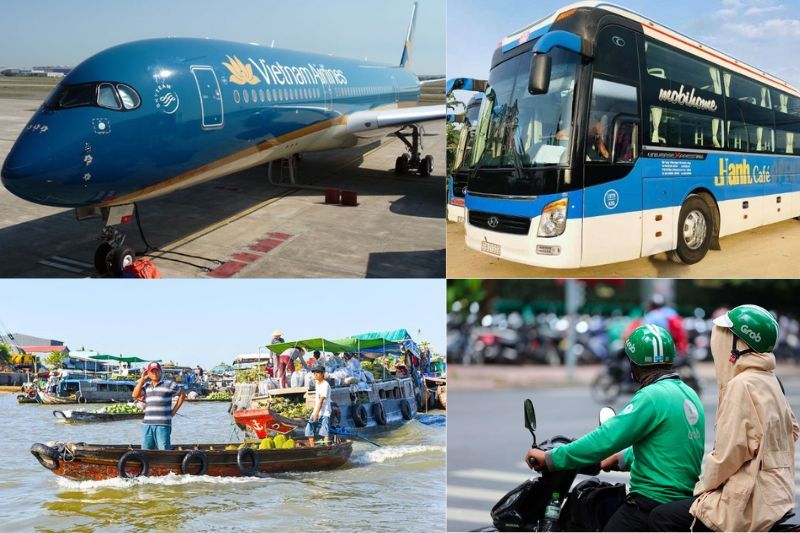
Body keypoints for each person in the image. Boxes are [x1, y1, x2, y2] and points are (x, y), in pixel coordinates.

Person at [526, 325, 705, 532]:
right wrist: (620, 459)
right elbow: (666, 447)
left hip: (650, 501)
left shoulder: (651, 397)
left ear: (633, 363)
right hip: (680, 500)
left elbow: (606, 439)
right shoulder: (688, 394)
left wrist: (550, 458)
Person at [649, 305, 799, 532]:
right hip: (776, 494)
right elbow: (792, 430)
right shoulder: (769, 379)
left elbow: (727, 456)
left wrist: (700, 487)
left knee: (662, 517)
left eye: (724, 335)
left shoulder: (742, 385)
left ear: (738, 344)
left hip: (747, 502)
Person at [132, 362, 186, 450]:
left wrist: (174, 411)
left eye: (157, 371)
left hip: (163, 425)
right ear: (148, 373)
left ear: (160, 372)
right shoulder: (146, 386)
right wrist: (142, 380)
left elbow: (182, 395)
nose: (154, 373)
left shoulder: (169, 384)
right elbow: (135, 395)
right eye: (152, 372)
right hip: (147, 424)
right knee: (146, 451)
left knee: (163, 451)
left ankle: (165, 464)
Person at [305, 363, 331, 447]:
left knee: (324, 432)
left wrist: (316, 414)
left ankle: (326, 448)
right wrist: (315, 413)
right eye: (314, 373)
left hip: (324, 413)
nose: (315, 374)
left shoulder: (325, 385)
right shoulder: (317, 383)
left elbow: (321, 400)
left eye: (317, 372)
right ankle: (312, 447)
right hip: (316, 411)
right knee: (309, 429)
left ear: (322, 373)